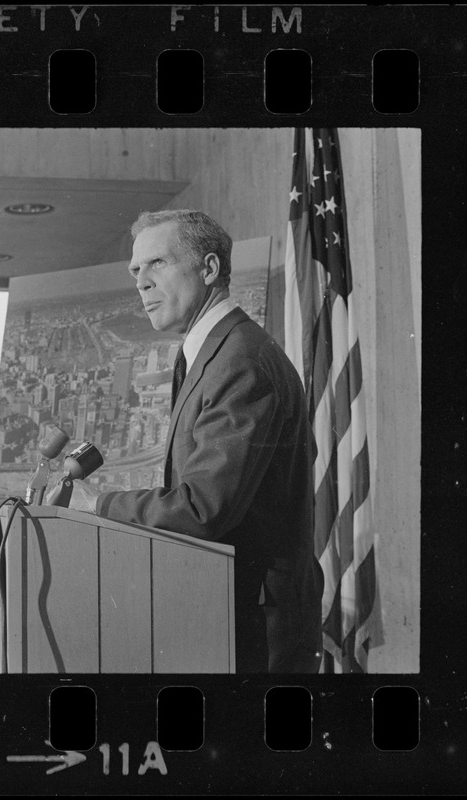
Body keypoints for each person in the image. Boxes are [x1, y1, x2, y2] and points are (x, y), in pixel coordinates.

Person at [58, 209, 323, 673]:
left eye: (157, 264)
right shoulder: (214, 351)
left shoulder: (241, 360)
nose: (141, 283)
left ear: (210, 269)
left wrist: (95, 507)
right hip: (229, 608)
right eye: (136, 271)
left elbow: (203, 507)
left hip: (257, 627)